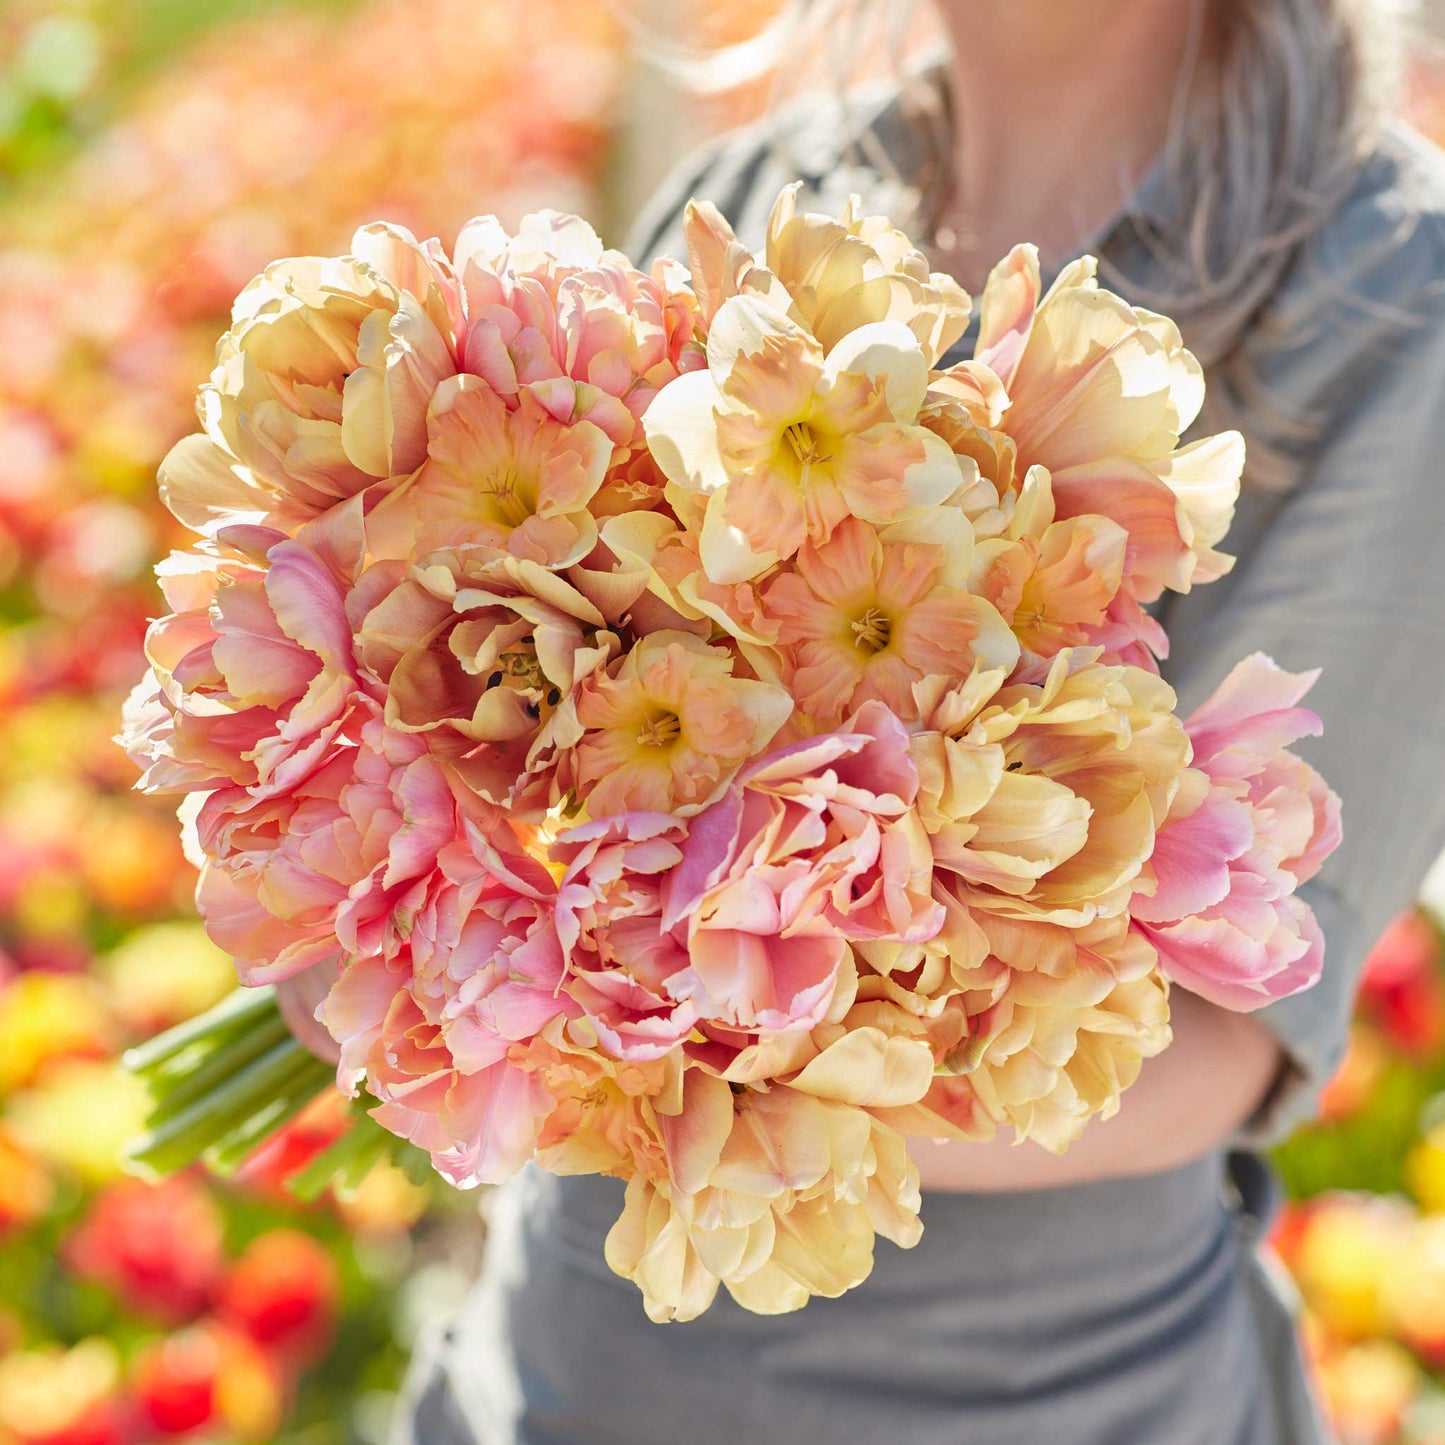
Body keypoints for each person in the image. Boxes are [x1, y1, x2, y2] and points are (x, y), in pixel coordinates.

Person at [392, 2, 1445, 1440]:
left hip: (1024, 1399)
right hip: (555, 1376)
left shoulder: (1395, 289)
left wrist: (587, 1052)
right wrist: (384, 896)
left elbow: (1218, 1030)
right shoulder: (761, 193)